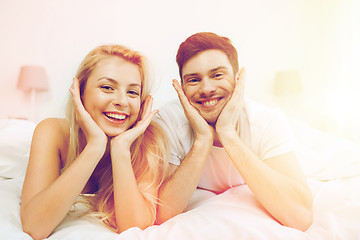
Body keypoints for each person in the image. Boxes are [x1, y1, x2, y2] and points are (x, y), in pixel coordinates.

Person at [155, 32, 313, 231]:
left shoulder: (266, 120)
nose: (206, 89)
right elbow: (163, 214)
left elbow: (301, 217)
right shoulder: (168, 122)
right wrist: (203, 140)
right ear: (182, 87)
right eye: (194, 80)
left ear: (238, 80)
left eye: (217, 75)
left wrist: (227, 133)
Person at [20, 44, 169, 239]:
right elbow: (34, 226)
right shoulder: (52, 132)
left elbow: (134, 228)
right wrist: (95, 147)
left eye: (132, 92)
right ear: (80, 91)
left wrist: (121, 149)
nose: (122, 101)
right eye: (107, 87)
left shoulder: (149, 140)